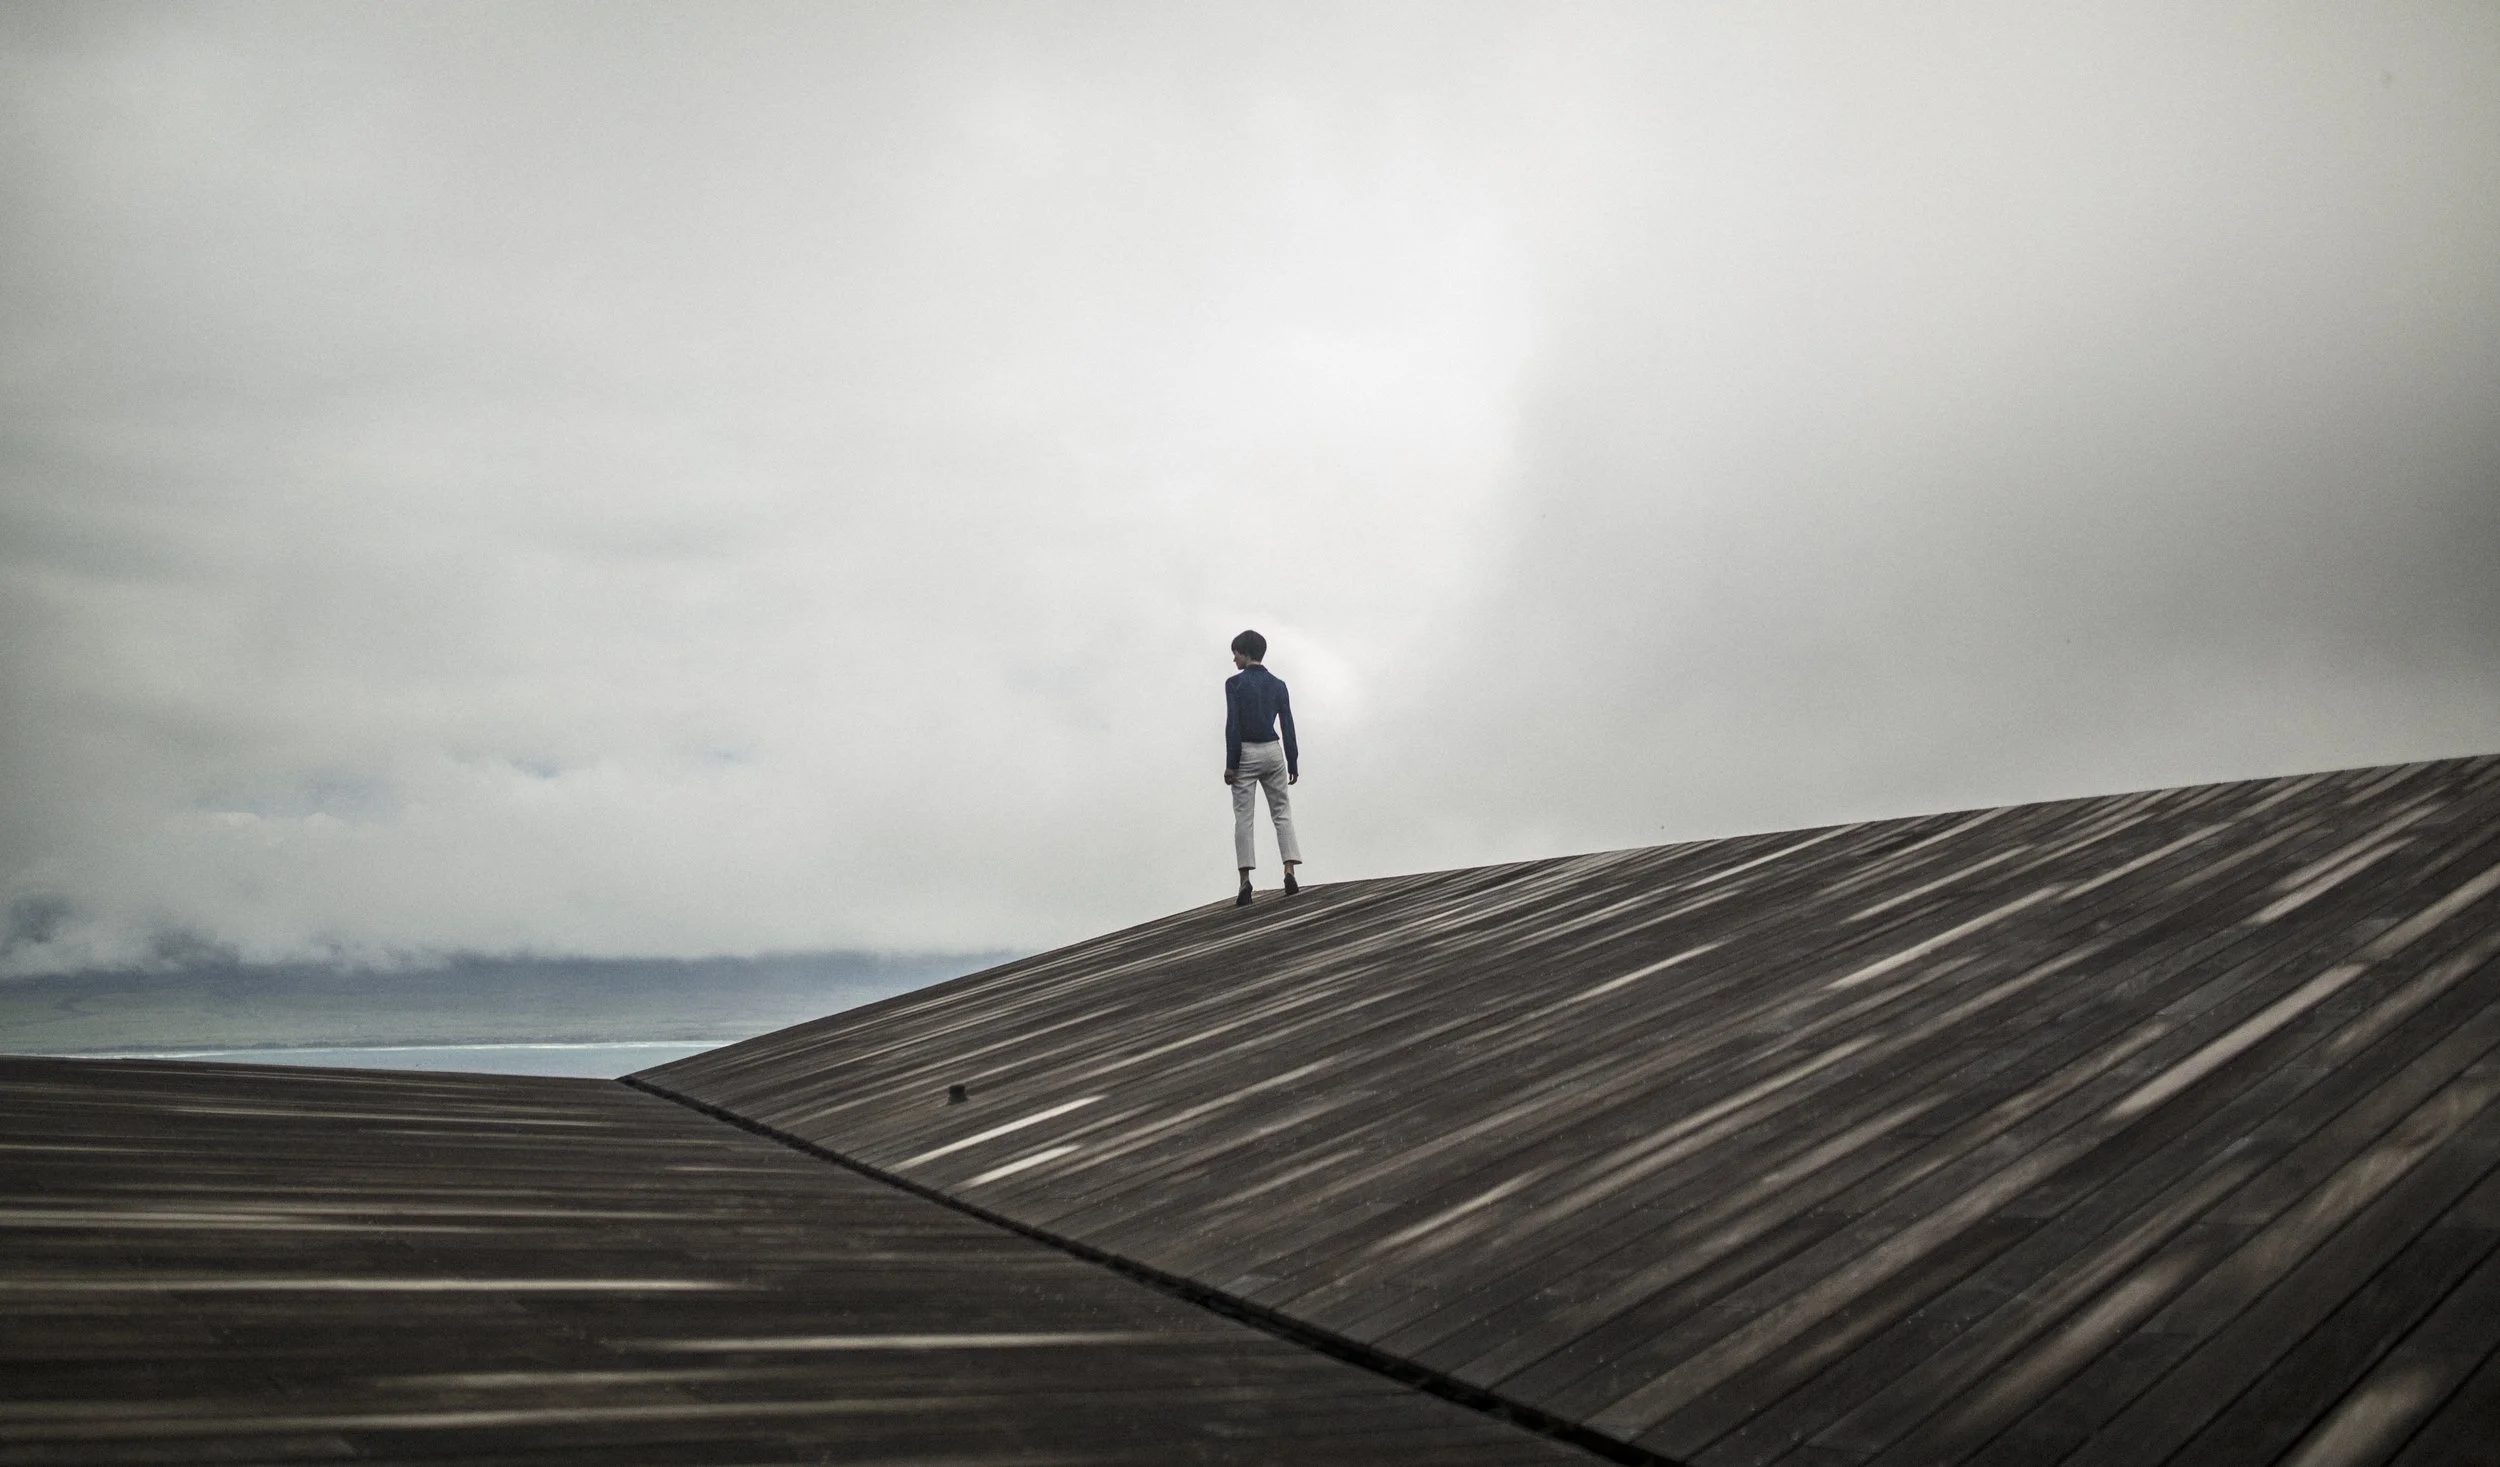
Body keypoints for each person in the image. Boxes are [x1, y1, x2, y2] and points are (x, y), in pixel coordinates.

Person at [1223, 629, 1300, 906]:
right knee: (1281, 811)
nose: (1233, 659)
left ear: (1244, 653)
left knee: (1244, 816)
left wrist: (1231, 764)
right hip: (1273, 751)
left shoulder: (1235, 684)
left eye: (1235, 653)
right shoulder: (1279, 685)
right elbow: (1288, 724)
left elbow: (1233, 725)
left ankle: (1245, 881)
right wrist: (1292, 759)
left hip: (1246, 751)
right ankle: (1289, 870)